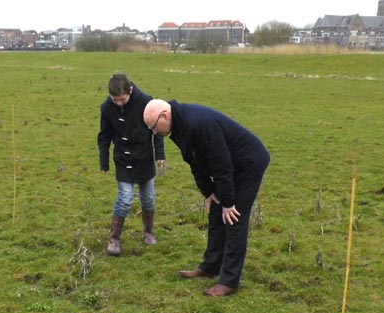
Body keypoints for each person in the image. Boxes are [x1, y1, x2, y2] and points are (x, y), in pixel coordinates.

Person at [143, 99, 269, 297]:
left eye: (153, 127)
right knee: (216, 213)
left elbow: (221, 164)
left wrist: (228, 202)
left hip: (248, 162)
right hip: (228, 166)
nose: (154, 133)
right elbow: (195, 163)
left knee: (234, 218)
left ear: (164, 116)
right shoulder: (176, 128)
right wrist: (209, 193)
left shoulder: (197, 123)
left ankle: (228, 281)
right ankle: (211, 266)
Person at [98, 73, 165, 256]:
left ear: (131, 91)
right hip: (123, 159)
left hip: (144, 159)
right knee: (125, 198)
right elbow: (104, 136)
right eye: (115, 100)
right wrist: (103, 162)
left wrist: (160, 154)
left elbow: (157, 130)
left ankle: (148, 233)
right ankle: (114, 239)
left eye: (122, 99)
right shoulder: (107, 108)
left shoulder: (146, 102)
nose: (118, 103)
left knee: (148, 198)